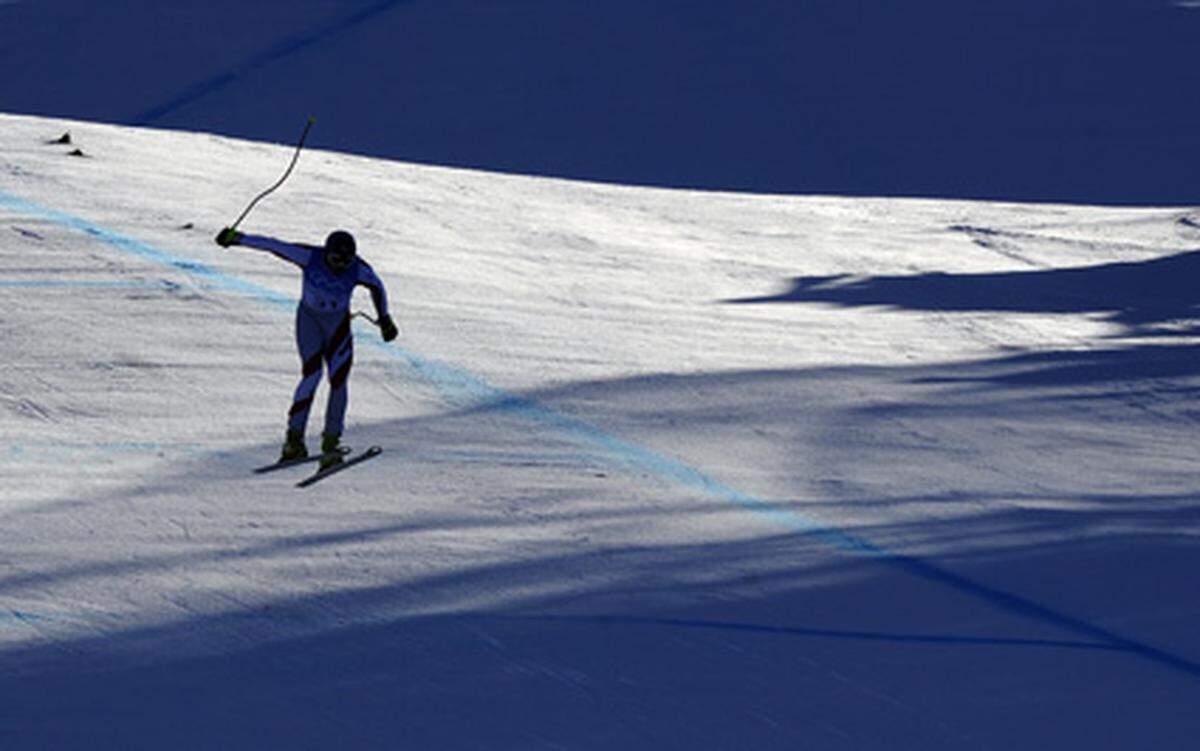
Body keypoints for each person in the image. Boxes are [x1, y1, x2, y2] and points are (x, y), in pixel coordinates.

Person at [215, 227, 399, 467]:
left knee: (339, 381)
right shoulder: (310, 257)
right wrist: (239, 239)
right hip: (310, 322)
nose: (340, 266)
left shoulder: (358, 269)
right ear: (326, 253)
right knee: (312, 375)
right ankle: (294, 439)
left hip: (338, 327)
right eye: (335, 259)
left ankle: (331, 442)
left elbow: (376, 286)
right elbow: (274, 244)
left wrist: (384, 318)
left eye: (346, 261)